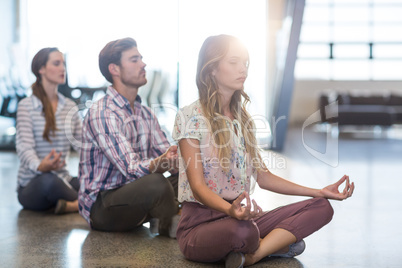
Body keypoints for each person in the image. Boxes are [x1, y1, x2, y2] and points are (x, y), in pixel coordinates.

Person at [173, 34, 355, 267]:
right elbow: (197, 188)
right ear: (212, 70)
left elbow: (264, 177)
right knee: (245, 232)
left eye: (245, 63)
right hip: (201, 225)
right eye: (234, 62)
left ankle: (254, 255)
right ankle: (274, 244)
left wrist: (319, 191)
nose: (243, 70)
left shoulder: (243, 120)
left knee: (321, 207)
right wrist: (231, 211)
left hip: (243, 217)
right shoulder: (190, 117)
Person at [78, 37, 180, 237]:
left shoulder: (145, 113)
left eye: (141, 58)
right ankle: (174, 221)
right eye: (134, 60)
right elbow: (130, 168)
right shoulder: (103, 112)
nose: (143, 64)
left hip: (133, 193)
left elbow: (167, 152)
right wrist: (159, 163)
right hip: (104, 206)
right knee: (157, 183)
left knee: (193, 174)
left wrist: (181, 160)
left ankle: (169, 219)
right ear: (114, 69)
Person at [16, 47, 82, 214]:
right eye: (56, 63)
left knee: (90, 182)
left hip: (63, 178)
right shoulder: (26, 106)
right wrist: (40, 165)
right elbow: (24, 147)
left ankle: (73, 205)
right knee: (50, 181)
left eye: (64, 64)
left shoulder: (69, 106)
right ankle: (87, 205)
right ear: (41, 69)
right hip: (33, 184)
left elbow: (83, 144)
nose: (62, 68)